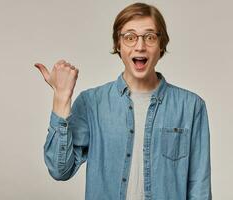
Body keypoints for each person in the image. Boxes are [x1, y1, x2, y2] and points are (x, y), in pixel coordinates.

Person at [34, 2, 212, 200]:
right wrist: (61, 98)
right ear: (118, 44)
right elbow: (60, 171)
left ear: (161, 44)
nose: (140, 46)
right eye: (130, 37)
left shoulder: (191, 106)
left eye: (150, 37)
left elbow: (200, 189)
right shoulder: (91, 103)